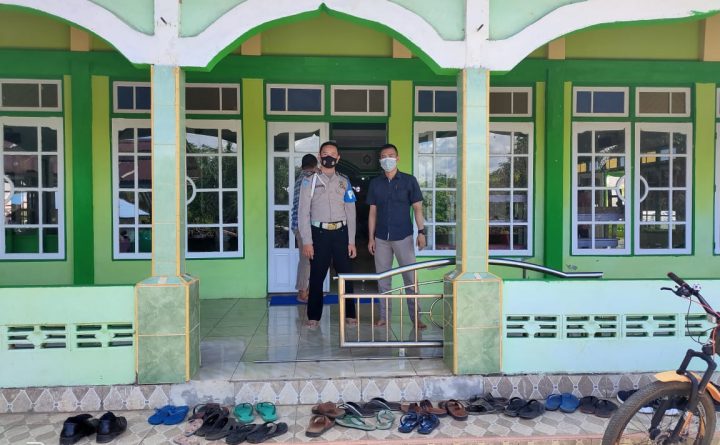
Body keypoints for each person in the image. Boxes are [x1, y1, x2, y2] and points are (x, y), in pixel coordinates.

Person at [298, 141, 358, 328]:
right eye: (325, 153)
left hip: (341, 233)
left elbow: (351, 212)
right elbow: (303, 212)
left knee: (346, 275)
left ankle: (350, 313)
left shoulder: (344, 181)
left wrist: (351, 241)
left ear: (338, 158)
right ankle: (313, 316)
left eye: (333, 154)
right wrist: (307, 241)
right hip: (319, 234)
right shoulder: (309, 180)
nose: (329, 157)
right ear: (319, 156)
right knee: (317, 276)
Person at [367, 143, 427, 329]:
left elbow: (417, 209)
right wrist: (371, 238)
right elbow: (372, 213)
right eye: (384, 156)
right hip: (381, 239)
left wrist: (422, 232)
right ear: (380, 160)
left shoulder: (409, 181)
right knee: (383, 279)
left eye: (391, 155)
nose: (388, 159)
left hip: (404, 237)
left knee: (410, 278)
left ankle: (416, 317)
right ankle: (384, 317)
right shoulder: (375, 183)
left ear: (397, 158)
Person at [291, 154, 319, 303]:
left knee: (307, 259)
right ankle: (302, 293)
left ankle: (307, 291)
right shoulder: (309, 178)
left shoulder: (300, 177)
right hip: (304, 226)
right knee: (306, 260)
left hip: (299, 225)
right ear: (314, 166)